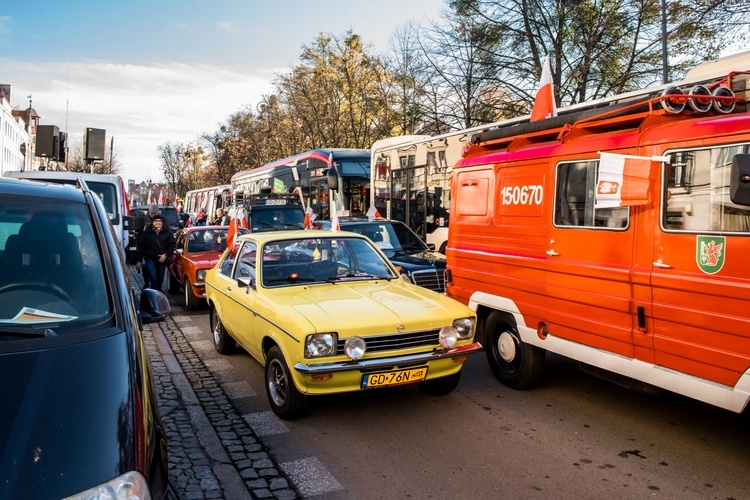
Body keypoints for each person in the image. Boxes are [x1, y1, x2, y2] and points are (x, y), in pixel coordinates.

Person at [136, 215, 175, 292]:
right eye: (156, 221)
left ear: (162, 223)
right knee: (153, 277)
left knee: (160, 278)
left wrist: (165, 255)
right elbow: (141, 247)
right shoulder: (147, 233)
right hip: (150, 258)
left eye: (160, 221)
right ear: (152, 222)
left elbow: (171, 245)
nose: (158, 223)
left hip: (162, 258)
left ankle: (158, 291)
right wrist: (139, 260)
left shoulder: (167, 233)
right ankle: (155, 295)